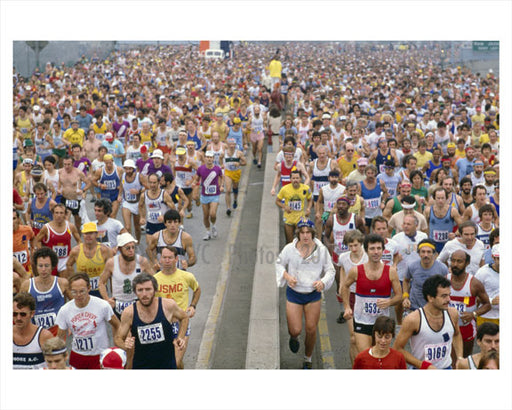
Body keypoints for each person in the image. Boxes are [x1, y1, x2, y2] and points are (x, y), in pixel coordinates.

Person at [275, 218, 335, 369]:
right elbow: (279, 263)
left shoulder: (321, 250)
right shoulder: (290, 248)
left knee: (311, 329)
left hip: (312, 294)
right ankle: (293, 337)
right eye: (302, 232)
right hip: (294, 293)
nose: (306, 235)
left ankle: (307, 358)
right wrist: (287, 277)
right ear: (298, 234)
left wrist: (322, 282)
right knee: (295, 329)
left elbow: (330, 270)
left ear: (313, 233)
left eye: (308, 232)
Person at [341, 234, 402, 354]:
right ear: (366, 250)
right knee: (365, 356)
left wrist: (389, 302)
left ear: (383, 250)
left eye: (379, 248)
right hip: (362, 321)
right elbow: (345, 286)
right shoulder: (356, 270)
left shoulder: (391, 271)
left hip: (382, 323)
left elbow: (399, 296)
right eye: (372, 249)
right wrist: (347, 307)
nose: (376, 252)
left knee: (379, 357)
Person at [114, 273, 189, 369]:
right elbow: (118, 338)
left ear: (155, 290)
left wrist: (181, 337)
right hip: (142, 365)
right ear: (135, 292)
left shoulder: (168, 305)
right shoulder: (129, 312)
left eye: (148, 289)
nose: (144, 294)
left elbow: (184, 317)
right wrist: (125, 345)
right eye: (140, 290)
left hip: (167, 364)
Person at [393, 275, 463, 369]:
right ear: (430, 298)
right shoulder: (413, 319)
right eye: (444, 296)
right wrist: (424, 366)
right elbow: (397, 348)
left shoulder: (453, 313)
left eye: (449, 295)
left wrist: (459, 357)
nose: (448, 300)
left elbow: (457, 335)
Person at [56, 272, 120, 369]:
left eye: (82, 291)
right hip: (78, 356)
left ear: (89, 288)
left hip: (100, 356)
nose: (78, 295)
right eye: (74, 292)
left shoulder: (102, 305)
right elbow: (59, 339)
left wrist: (116, 345)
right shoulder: (64, 310)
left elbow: (117, 325)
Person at [154, 246, 201, 369]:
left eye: (170, 257)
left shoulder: (187, 276)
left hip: (181, 322)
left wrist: (192, 306)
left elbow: (197, 290)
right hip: (163, 324)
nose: (167, 260)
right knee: (171, 361)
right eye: (164, 257)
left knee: (175, 361)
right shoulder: (155, 280)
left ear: (176, 259)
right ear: (160, 260)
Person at [99, 232, 154, 317]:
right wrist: (107, 300)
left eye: (133, 247)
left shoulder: (142, 261)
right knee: (119, 329)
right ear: (120, 249)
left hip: (137, 301)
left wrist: (148, 297)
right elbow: (101, 283)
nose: (131, 250)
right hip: (118, 304)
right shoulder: (112, 263)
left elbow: (154, 280)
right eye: (128, 248)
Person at [448, 249, 491, 357]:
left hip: (466, 327)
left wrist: (473, 314)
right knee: (450, 359)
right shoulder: (445, 280)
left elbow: (487, 304)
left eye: (459, 261)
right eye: (453, 261)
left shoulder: (474, 283)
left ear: (467, 263)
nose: (455, 264)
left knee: (465, 358)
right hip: (448, 326)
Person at [19, 247, 70, 336]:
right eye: (40, 266)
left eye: (46, 266)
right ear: (36, 266)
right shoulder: (27, 285)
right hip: (34, 331)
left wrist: (70, 323)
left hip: (57, 331)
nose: (43, 269)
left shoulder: (62, 283)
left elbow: (74, 303)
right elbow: (18, 308)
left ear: (52, 266)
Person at [337, 229, 367, 364]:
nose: (353, 248)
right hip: (351, 296)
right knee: (354, 337)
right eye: (350, 246)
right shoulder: (343, 258)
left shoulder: (369, 257)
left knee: (368, 337)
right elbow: (342, 269)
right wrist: (342, 285)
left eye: (356, 245)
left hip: (366, 297)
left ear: (361, 243)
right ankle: (355, 366)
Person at [66, 222, 114, 295]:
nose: (88, 236)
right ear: (83, 235)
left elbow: (112, 272)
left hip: (100, 289)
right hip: (82, 290)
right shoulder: (76, 251)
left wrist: (113, 293)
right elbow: (69, 265)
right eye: (86, 233)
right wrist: (73, 282)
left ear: (96, 234)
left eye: (91, 233)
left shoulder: (105, 250)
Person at [34, 203, 81, 276]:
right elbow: (37, 240)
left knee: (65, 283)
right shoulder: (46, 228)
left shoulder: (71, 227)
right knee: (51, 284)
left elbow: (79, 241)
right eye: (56, 213)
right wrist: (42, 252)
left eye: (61, 213)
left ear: (65, 214)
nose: (59, 215)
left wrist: (76, 253)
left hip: (65, 260)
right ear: (53, 214)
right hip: (51, 260)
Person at [402, 239, 448, 313]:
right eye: (423, 252)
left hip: (435, 308)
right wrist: (405, 297)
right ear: (419, 253)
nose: (426, 255)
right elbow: (406, 281)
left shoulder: (442, 268)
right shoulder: (412, 266)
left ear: (434, 254)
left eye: (429, 252)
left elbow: (447, 287)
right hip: (415, 308)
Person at [13, 292, 53, 369]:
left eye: (23, 314)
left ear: (32, 313)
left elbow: (56, 365)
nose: (18, 318)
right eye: (14, 314)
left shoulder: (44, 336)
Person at [276, 169, 313, 244]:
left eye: (297, 178)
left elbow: (310, 200)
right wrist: (284, 207)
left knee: (301, 241)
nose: (295, 180)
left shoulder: (305, 188)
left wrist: (308, 208)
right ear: (290, 179)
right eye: (293, 178)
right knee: (289, 242)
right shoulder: (284, 189)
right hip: (289, 218)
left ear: (300, 179)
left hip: (300, 218)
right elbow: (277, 201)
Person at [193, 151, 224, 240]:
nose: (209, 159)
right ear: (205, 158)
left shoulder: (217, 169)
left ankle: (213, 225)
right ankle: (208, 232)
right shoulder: (200, 169)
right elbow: (197, 179)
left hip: (215, 194)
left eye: (211, 157)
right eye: (207, 157)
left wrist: (221, 186)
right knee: (206, 216)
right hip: (204, 195)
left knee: (212, 214)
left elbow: (222, 177)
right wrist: (194, 185)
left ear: (213, 159)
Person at [424, 187, 463, 253]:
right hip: (433, 242)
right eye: (438, 198)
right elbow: (425, 226)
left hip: (447, 243)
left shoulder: (452, 211)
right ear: (434, 198)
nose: (440, 201)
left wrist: (455, 234)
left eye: (442, 198)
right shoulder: (428, 211)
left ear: (446, 198)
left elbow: (462, 226)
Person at [57, 155, 90, 232]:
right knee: (65, 220)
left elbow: (88, 183)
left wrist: (83, 190)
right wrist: (59, 189)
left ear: (73, 164)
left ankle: (78, 239)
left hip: (76, 200)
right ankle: (66, 237)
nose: (66, 166)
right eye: (65, 164)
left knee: (77, 223)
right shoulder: (60, 172)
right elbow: (59, 182)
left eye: (68, 164)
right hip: (65, 199)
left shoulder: (78, 173)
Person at [119, 158, 146, 242]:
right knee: (127, 227)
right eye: (126, 169)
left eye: (130, 169)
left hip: (137, 203)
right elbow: (121, 186)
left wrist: (138, 191)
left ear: (133, 169)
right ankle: (130, 244)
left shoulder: (139, 176)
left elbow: (148, 187)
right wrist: (119, 195)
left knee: (137, 227)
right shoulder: (123, 176)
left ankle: (137, 242)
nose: (128, 171)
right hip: (126, 203)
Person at [474, 244, 500, 327]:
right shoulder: (482, 272)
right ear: (493, 257)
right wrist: (491, 300)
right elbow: (474, 295)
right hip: (486, 317)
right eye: (499, 259)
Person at [92, 153, 124, 219]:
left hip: (115, 195)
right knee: (105, 216)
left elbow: (123, 182)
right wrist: (100, 185)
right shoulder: (100, 171)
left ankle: (112, 229)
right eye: (106, 163)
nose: (108, 165)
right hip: (104, 196)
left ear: (113, 161)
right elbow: (93, 181)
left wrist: (120, 194)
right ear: (104, 162)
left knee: (112, 215)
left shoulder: (119, 170)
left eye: (110, 163)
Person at [223, 137, 247, 216]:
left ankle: (235, 199)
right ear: (228, 145)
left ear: (235, 145)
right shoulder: (224, 153)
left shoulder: (239, 153)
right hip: (228, 172)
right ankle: (228, 208)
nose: (231, 146)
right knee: (228, 190)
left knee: (235, 188)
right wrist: (221, 165)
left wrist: (239, 163)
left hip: (236, 172)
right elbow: (220, 159)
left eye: (233, 144)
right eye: (230, 144)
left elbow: (245, 162)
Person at [13, 208, 35, 275]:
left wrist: (33, 249)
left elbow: (33, 238)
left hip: (26, 268)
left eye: (14, 218)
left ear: (18, 219)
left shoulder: (27, 230)